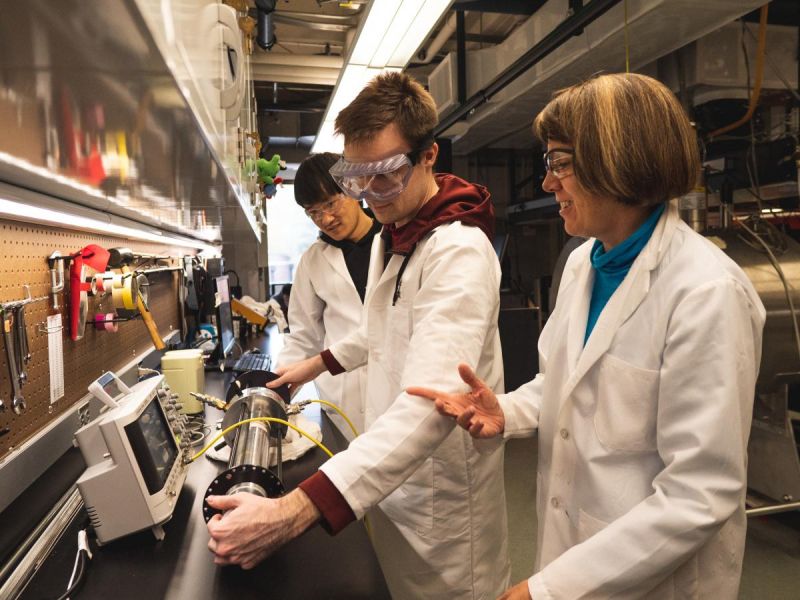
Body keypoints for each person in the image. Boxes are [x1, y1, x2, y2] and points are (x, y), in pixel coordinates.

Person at [409, 72, 766, 600]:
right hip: (572, 549)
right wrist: (508, 411)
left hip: (657, 581)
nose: (547, 183)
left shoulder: (706, 291)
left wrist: (549, 590)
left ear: (617, 161)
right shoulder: (583, 264)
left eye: (560, 163)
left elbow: (699, 494)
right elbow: (565, 381)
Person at [205, 71, 511, 599]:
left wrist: (296, 509)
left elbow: (432, 403)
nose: (369, 194)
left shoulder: (457, 252)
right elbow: (380, 334)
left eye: (385, 176)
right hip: (392, 478)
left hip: (441, 503)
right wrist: (313, 365)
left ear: (428, 156)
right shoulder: (398, 239)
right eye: (356, 178)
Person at [275, 153, 381, 438]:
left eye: (331, 204)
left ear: (354, 188)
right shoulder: (313, 260)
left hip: (394, 387)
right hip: (344, 398)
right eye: (313, 213)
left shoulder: (394, 241)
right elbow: (303, 336)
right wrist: (274, 387)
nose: (326, 219)